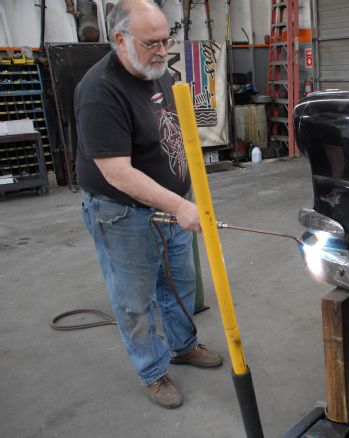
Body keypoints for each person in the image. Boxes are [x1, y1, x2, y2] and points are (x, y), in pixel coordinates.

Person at [75, 0, 223, 409]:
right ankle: (153, 371)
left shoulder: (156, 73)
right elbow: (117, 172)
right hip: (121, 214)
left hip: (169, 206)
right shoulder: (99, 92)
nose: (163, 50)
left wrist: (186, 192)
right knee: (134, 299)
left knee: (179, 282)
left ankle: (182, 346)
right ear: (120, 40)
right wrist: (178, 204)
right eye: (152, 42)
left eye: (166, 39)